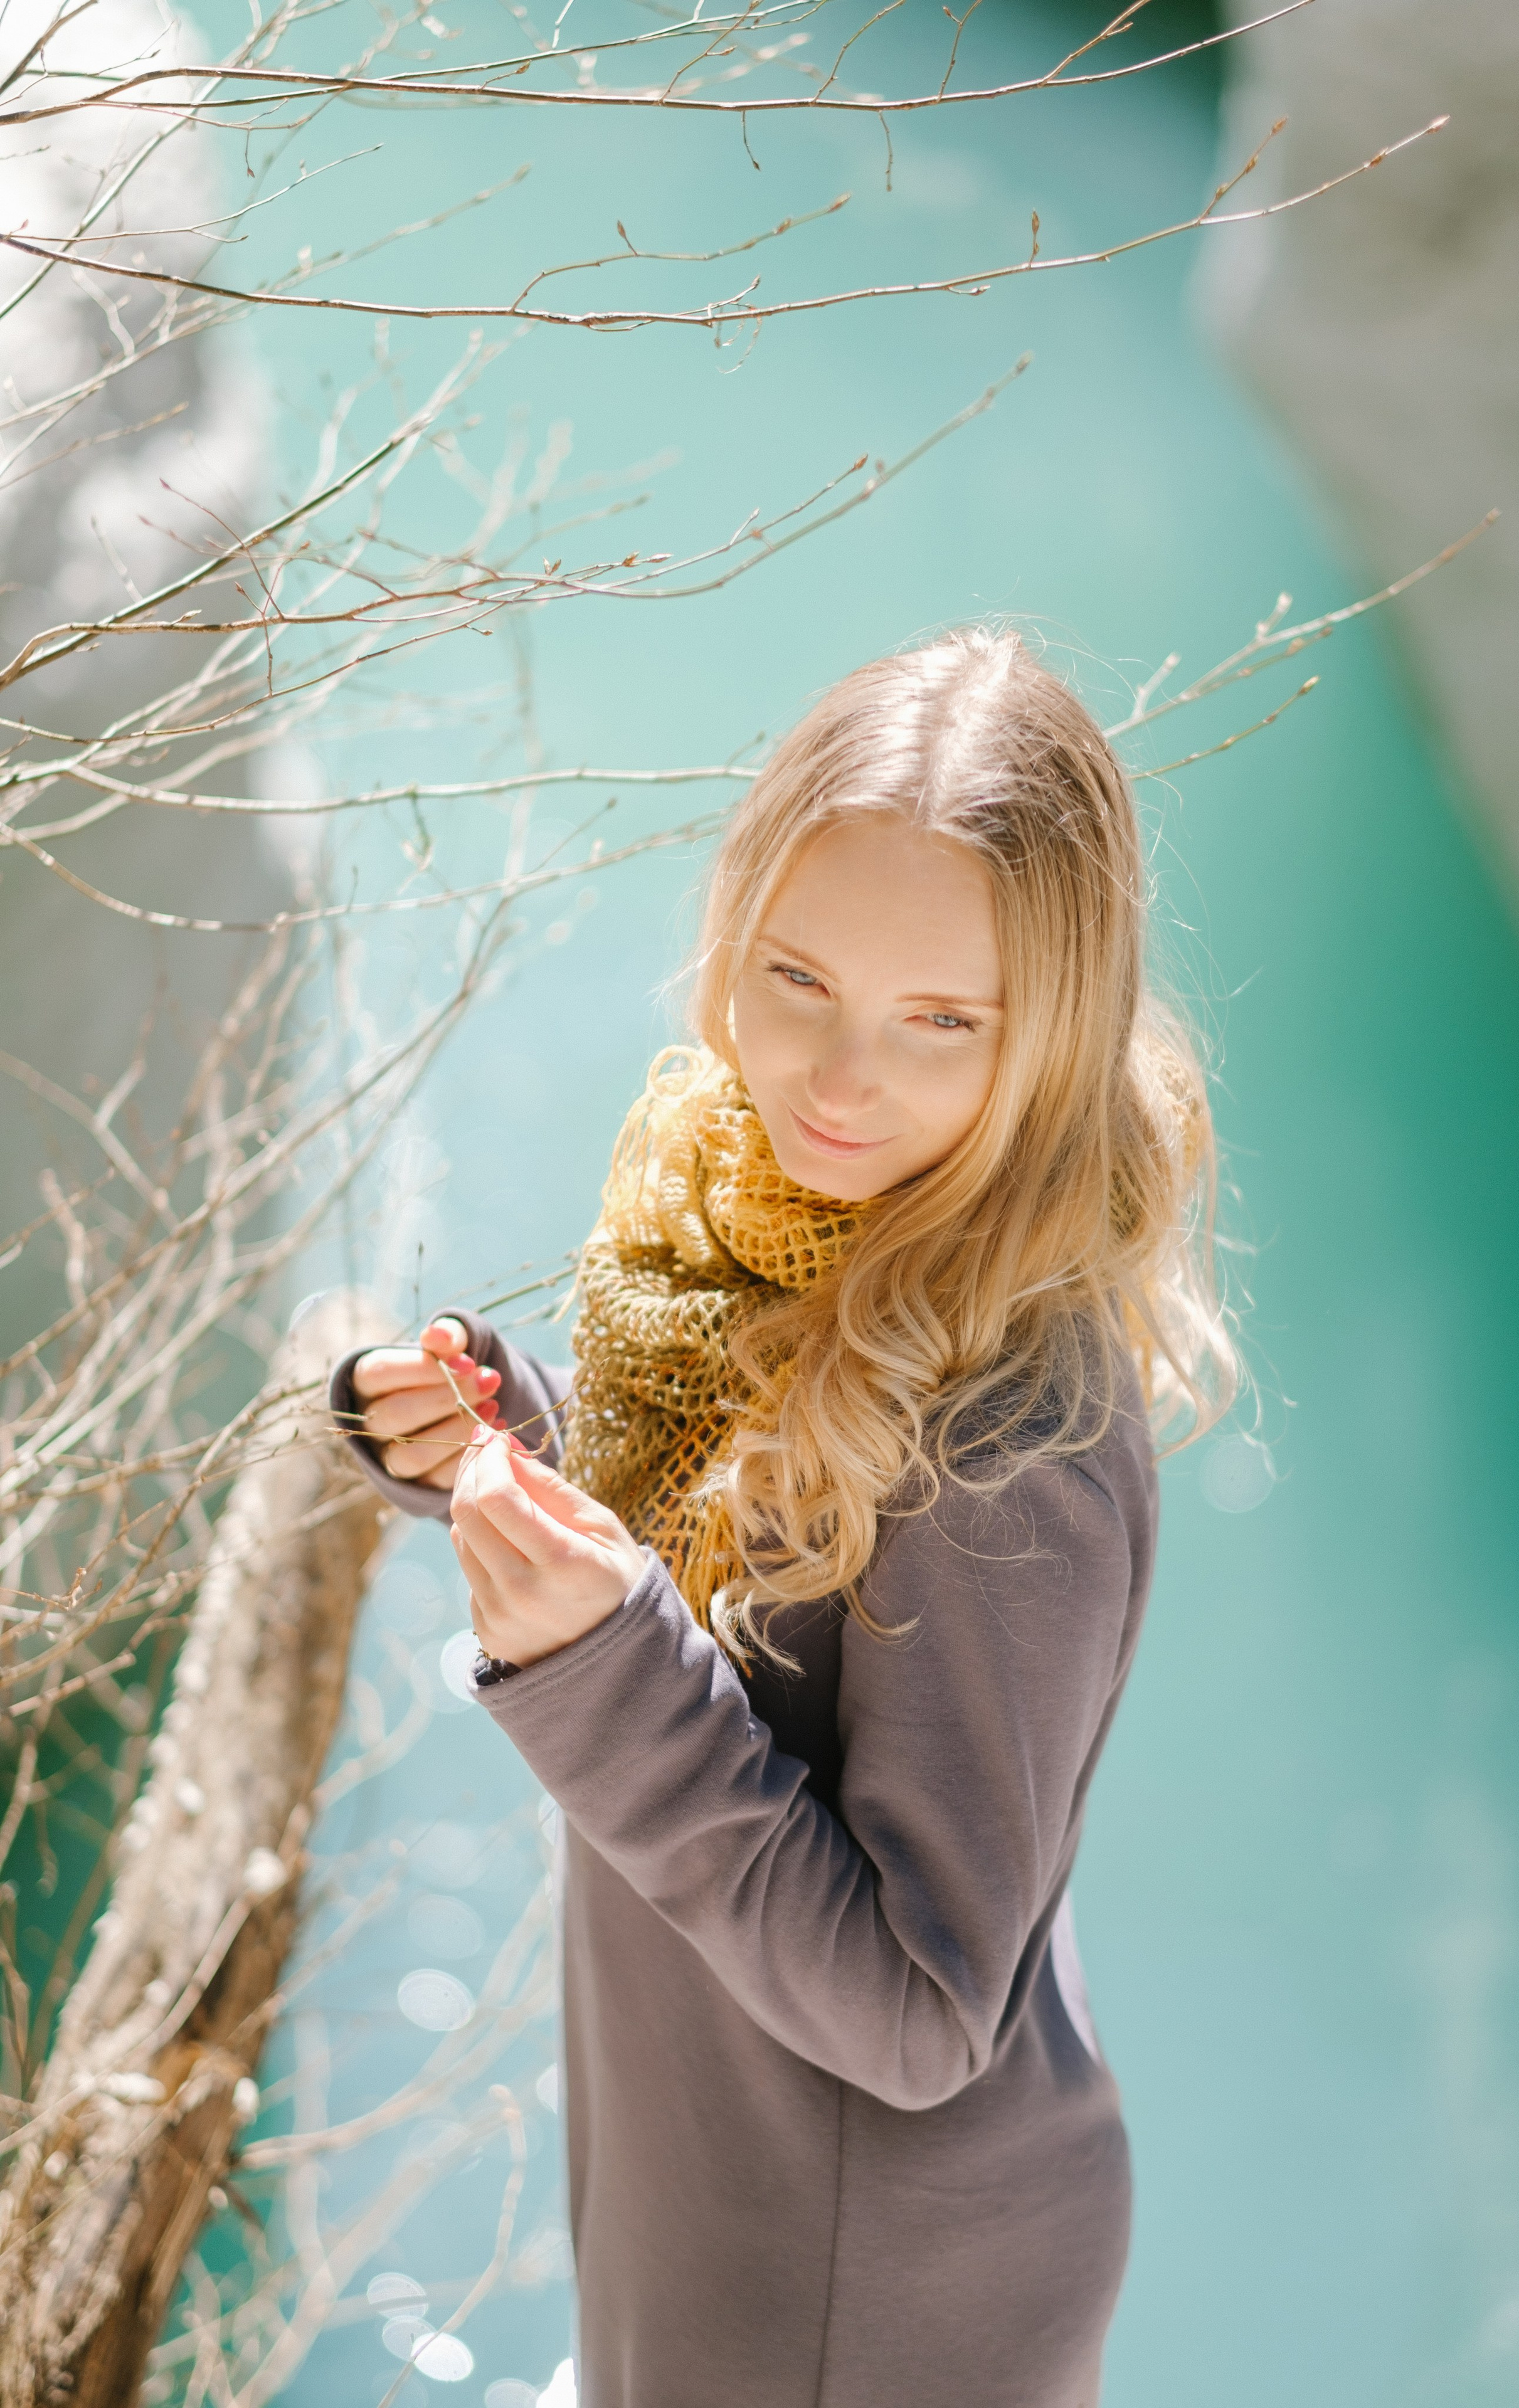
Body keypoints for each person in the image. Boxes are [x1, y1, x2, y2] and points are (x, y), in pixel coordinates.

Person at [332, 626, 1235, 2408]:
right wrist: (504, 1443)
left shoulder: (1013, 1445)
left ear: (1046, 1039)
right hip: (724, 2184)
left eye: (939, 1023)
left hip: (859, 2303)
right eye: (796, 977)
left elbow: (919, 2013)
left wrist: (603, 1665)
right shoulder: (772, 1223)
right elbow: (759, 1590)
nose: (834, 1076)